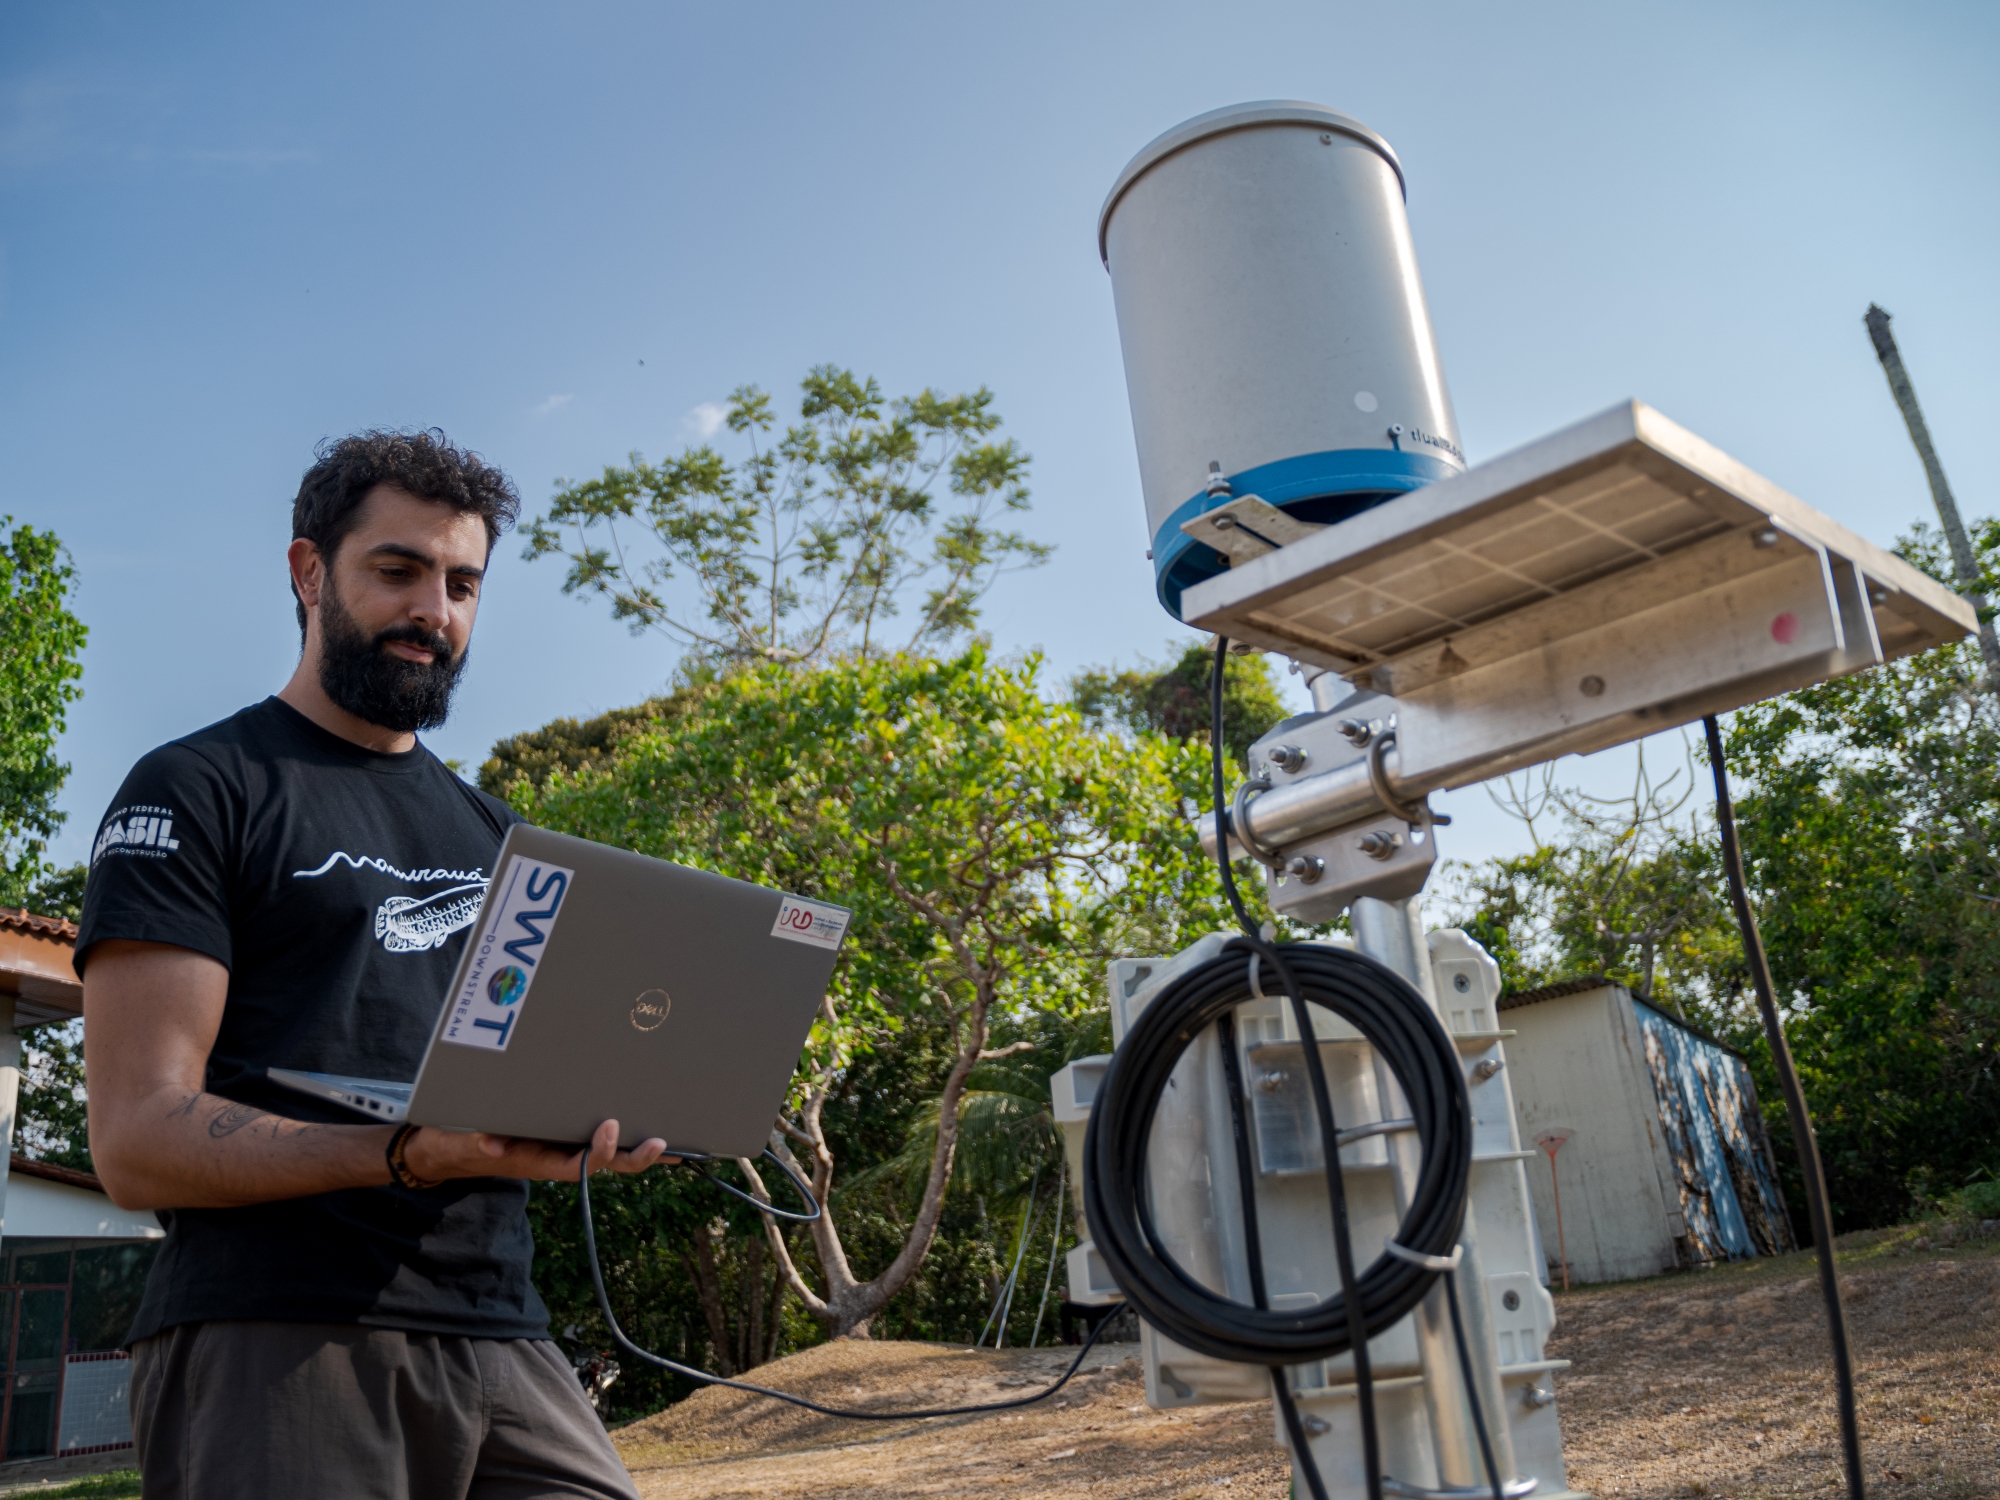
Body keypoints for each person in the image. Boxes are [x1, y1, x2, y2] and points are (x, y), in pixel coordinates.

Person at [77, 430, 669, 1500]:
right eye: (396, 572)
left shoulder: (501, 837)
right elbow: (133, 1141)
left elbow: (499, 1093)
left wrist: (603, 1115)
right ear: (309, 574)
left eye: (461, 584)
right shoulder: (196, 788)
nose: (433, 613)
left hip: (506, 1336)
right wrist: (401, 1153)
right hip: (276, 1332)